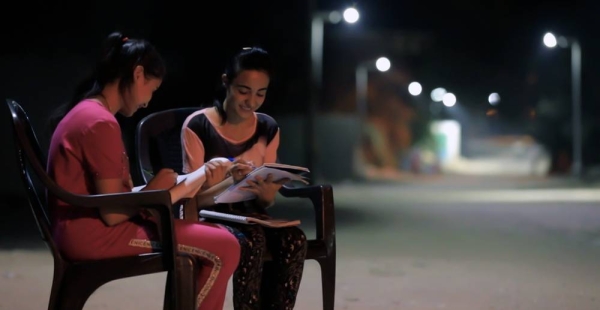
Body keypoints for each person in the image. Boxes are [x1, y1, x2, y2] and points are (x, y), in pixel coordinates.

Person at [46, 31, 241, 310]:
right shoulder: (98, 122)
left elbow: (110, 198)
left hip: (84, 227)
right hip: (93, 235)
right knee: (225, 245)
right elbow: (113, 213)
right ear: (138, 74)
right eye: (151, 89)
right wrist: (157, 189)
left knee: (213, 236)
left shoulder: (89, 113)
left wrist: (169, 187)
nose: (148, 101)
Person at [181, 46, 308, 310]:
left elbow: (265, 203)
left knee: (294, 240)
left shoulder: (267, 127)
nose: (251, 101)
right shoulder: (198, 126)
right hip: (210, 216)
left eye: (260, 93)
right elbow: (190, 201)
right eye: (243, 91)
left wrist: (266, 194)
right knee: (253, 240)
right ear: (226, 82)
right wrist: (229, 181)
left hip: (250, 216)